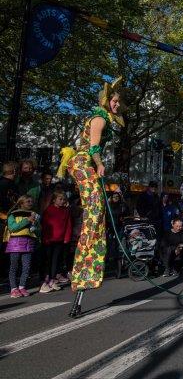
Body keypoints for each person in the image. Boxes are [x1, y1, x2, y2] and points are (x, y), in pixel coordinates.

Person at [57, 76, 126, 317]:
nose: (117, 105)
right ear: (106, 101)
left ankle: (89, 263)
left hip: (84, 165)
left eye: (118, 101)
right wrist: (99, 165)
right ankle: (83, 264)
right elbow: (94, 147)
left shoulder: (105, 118)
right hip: (83, 164)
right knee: (94, 215)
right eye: (114, 101)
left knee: (96, 218)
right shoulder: (99, 118)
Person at [5, 195, 39, 298]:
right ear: (21, 203)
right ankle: (13, 288)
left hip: (28, 242)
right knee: (14, 266)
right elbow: (13, 228)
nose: (30, 203)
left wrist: (35, 226)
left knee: (26, 266)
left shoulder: (34, 214)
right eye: (28, 201)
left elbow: (37, 229)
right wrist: (27, 220)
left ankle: (22, 286)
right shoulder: (13, 214)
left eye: (31, 201)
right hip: (15, 243)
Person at [40, 191, 72, 293]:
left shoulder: (66, 211)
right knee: (47, 261)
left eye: (64, 199)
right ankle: (44, 281)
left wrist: (66, 237)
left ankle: (52, 280)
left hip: (60, 239)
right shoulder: (49, 210)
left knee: (56, 261)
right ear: (54, 200)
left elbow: (68, 225)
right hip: (49, 239)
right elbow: (45, 226)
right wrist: (45, 238)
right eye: (60, 199)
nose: (62, 201)